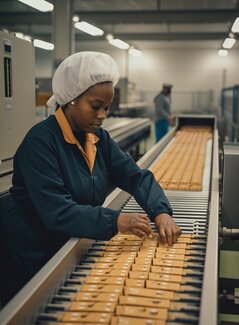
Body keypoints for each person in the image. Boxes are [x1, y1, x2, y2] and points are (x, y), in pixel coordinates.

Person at [1, 52, 181, 305]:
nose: (102, 115)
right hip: (34, 250)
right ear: (71, 99)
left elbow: (135, 177)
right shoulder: (41, 143)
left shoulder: (98, 138)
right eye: (95, 106)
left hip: (71, 240)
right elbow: (58, 211)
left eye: (106, 108)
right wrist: (115, 220)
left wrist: (160, 212)